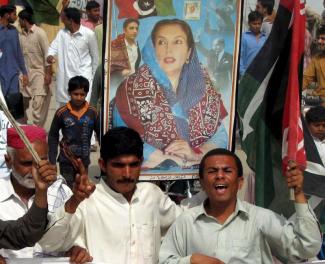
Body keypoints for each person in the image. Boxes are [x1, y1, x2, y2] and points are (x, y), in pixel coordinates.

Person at [39, 127, 181, 263]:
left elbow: (184, 225)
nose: (127, 174)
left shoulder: (152, 195)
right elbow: (49, 244)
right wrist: (73, 202)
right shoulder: (87, 201)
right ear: (102, 165)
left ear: (141, 163)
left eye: (133, 165)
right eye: (118, 165)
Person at [159, 148, 322, 263]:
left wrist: (299, 193)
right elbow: (165, 260)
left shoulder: (261, 219)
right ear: (202, 182)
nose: (220, 176)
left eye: (227, 171)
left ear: (240, 182)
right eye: (212, 171)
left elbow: (307, 247)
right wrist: (191, 261)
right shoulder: (186, 221)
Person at [111, 19, 228, 169]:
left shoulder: (203, 88)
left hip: (196, 175)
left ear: (189, 52)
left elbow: (220, 136)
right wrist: (169, 159)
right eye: (161, 42)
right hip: (147, 176)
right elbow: (123, 137)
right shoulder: (129, 89)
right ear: (152, 50)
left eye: (177, 42)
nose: (169, 49)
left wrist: (195, 154)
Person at [48, 76, 100, 188]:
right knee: (67, 189)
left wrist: (105, 156)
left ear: (86, 94)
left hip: (84, 160)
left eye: (82, 95)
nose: (79, 97)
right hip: (66, 160)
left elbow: (100, 134)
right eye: (75, 94)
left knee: (82, 188)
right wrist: (52, 160)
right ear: (69, 93)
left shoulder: (92, 112)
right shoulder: (61, 113)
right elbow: (53, 136)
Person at [47, 7, 99, 108]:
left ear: (70, 21)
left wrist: (92, 78)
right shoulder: (62, 34)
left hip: (83, 79)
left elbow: (95, 58)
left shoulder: (89, 34)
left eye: (64, 19)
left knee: (83, 110)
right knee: (65, 112)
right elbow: (52, 48)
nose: (62, 21)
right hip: (65, 80)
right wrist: (50, 55)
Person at [18, 8, 52, 127]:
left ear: (24, 20)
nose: (18, 22)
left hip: (39, 74)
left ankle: (38, 131)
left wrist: (48, 74)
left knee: (38, 105)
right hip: (25, 75)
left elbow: (48, 55)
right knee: (21, 104)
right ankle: (25, 129)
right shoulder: (21, 35)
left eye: (20, 20)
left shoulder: (40, 33)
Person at [0, 5, 28, 104]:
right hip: (1, 76)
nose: (16, 17)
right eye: (14, 14)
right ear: (7, 15)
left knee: (13, 105)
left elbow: (18, 53)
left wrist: (24, 72)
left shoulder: (14, 31)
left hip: (13, 75)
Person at [240, 11, 266, 76]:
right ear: (249, 23)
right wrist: (243, 73)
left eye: (259, 23)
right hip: (247, 74)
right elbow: (240, 57)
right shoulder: (243, 37)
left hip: (261, 75)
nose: (257, 26)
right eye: (254, 24)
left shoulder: (265, 38)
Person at [303, 26, 325, 107]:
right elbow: (305, 78)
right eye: (318, 38)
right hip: (319, 102)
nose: (319, 41)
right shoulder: (317, 59)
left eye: (323, 39)